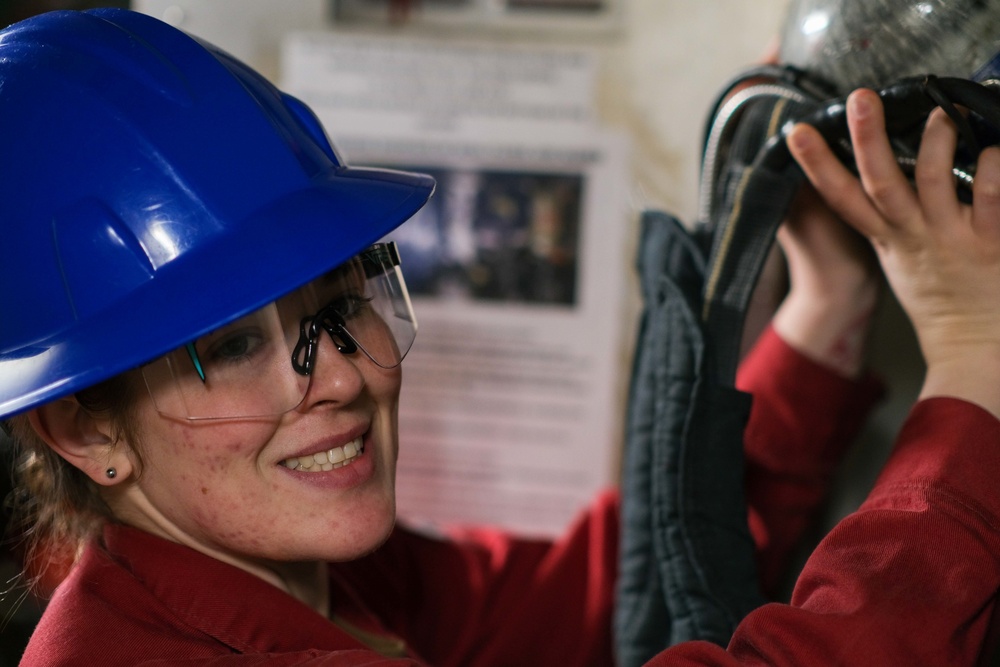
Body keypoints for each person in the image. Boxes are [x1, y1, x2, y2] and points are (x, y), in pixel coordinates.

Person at [1, 7, 990, 666]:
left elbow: (592, 586)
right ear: (83, 429)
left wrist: (819, 314)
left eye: (341, 305)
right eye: (232, 346)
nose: (341, 374)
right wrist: (967, 370)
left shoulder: (317, 568)